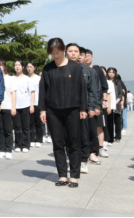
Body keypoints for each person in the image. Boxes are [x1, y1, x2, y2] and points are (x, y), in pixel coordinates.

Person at [40, 38, 88, 188]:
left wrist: (83, 108)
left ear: (64, 50)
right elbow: (43, 90)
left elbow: (82, 89)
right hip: (53, 111)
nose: (55, 56)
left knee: (74, 143)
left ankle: (74, 176)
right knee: (58, 143)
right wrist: (42, 109)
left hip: (72, 110)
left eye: (58, 53)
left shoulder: (75, 67)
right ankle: (62, 175)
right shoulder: (48, 69)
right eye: (52, 53)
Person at [66, 44, 98, 173]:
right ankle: (72, 161)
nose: (73, 54)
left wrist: (91, 107)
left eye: (76, 51)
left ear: (79, 54)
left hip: (82, 108)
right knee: (69, 136)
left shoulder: (87, 70)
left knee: (83, 135)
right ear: (66, 53)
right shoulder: (61, 68)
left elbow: (92, 90)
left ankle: (83, 161)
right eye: (70, 51)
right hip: (66, 108)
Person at [86, 50, 110, 158]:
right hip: (86, 103)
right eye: (85, 56)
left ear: (92, 57)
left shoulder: (98, 70)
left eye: (89, 56)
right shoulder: (80, 69)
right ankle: (89, 149)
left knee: (99, 126)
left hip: (98, 103)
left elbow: (104, 86)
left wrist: (104, 100)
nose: (87, 58)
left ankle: (101, 148)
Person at [12, 60, 35, 153]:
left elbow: (32, 92)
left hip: (25, 105)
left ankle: (25, 145)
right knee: (17, 126)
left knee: (25, 126)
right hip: (15, 106)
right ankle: (18, 144)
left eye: (19, 65)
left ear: (22, 67)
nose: (17, 67)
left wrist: (32, 105)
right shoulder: (12, 78)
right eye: (15, 65)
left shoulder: (27, 79)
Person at [0, 60, 16, 160]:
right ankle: (2, 149)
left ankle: (8, 150)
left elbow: (13, 94)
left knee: (8, 129)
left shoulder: (10, 78)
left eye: (1, 65)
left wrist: (13, 107)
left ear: (4, 66)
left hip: (7, 106)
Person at [27, 62, 44, 149]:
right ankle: (31, 139)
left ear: (34, 68)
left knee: (38, 122)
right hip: (28, 103)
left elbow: (42, 91)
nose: (29, 68)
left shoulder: (38, 78)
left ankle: (38, 140)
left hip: (37, 102)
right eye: (28, 67)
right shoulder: (25, 78)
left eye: (31, 67)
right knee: (30, 122)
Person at [108, 68, 123, 143]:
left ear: (115, 73)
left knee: (117, 121)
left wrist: (116, 101)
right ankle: (109, 137)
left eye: (112, 72)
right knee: (109, 122)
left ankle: (118, 136)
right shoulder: (106, 81)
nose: (111, 74)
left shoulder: (118, 82)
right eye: (109, 72)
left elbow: (120, 93)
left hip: (116, 104)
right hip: (108, 104)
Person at [103, 67, 117, 149]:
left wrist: (112, 106)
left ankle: (110, 139)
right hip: (102, 106)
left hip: (109, 105)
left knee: (110, 123)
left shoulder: (110, 82)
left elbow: (112, 96)